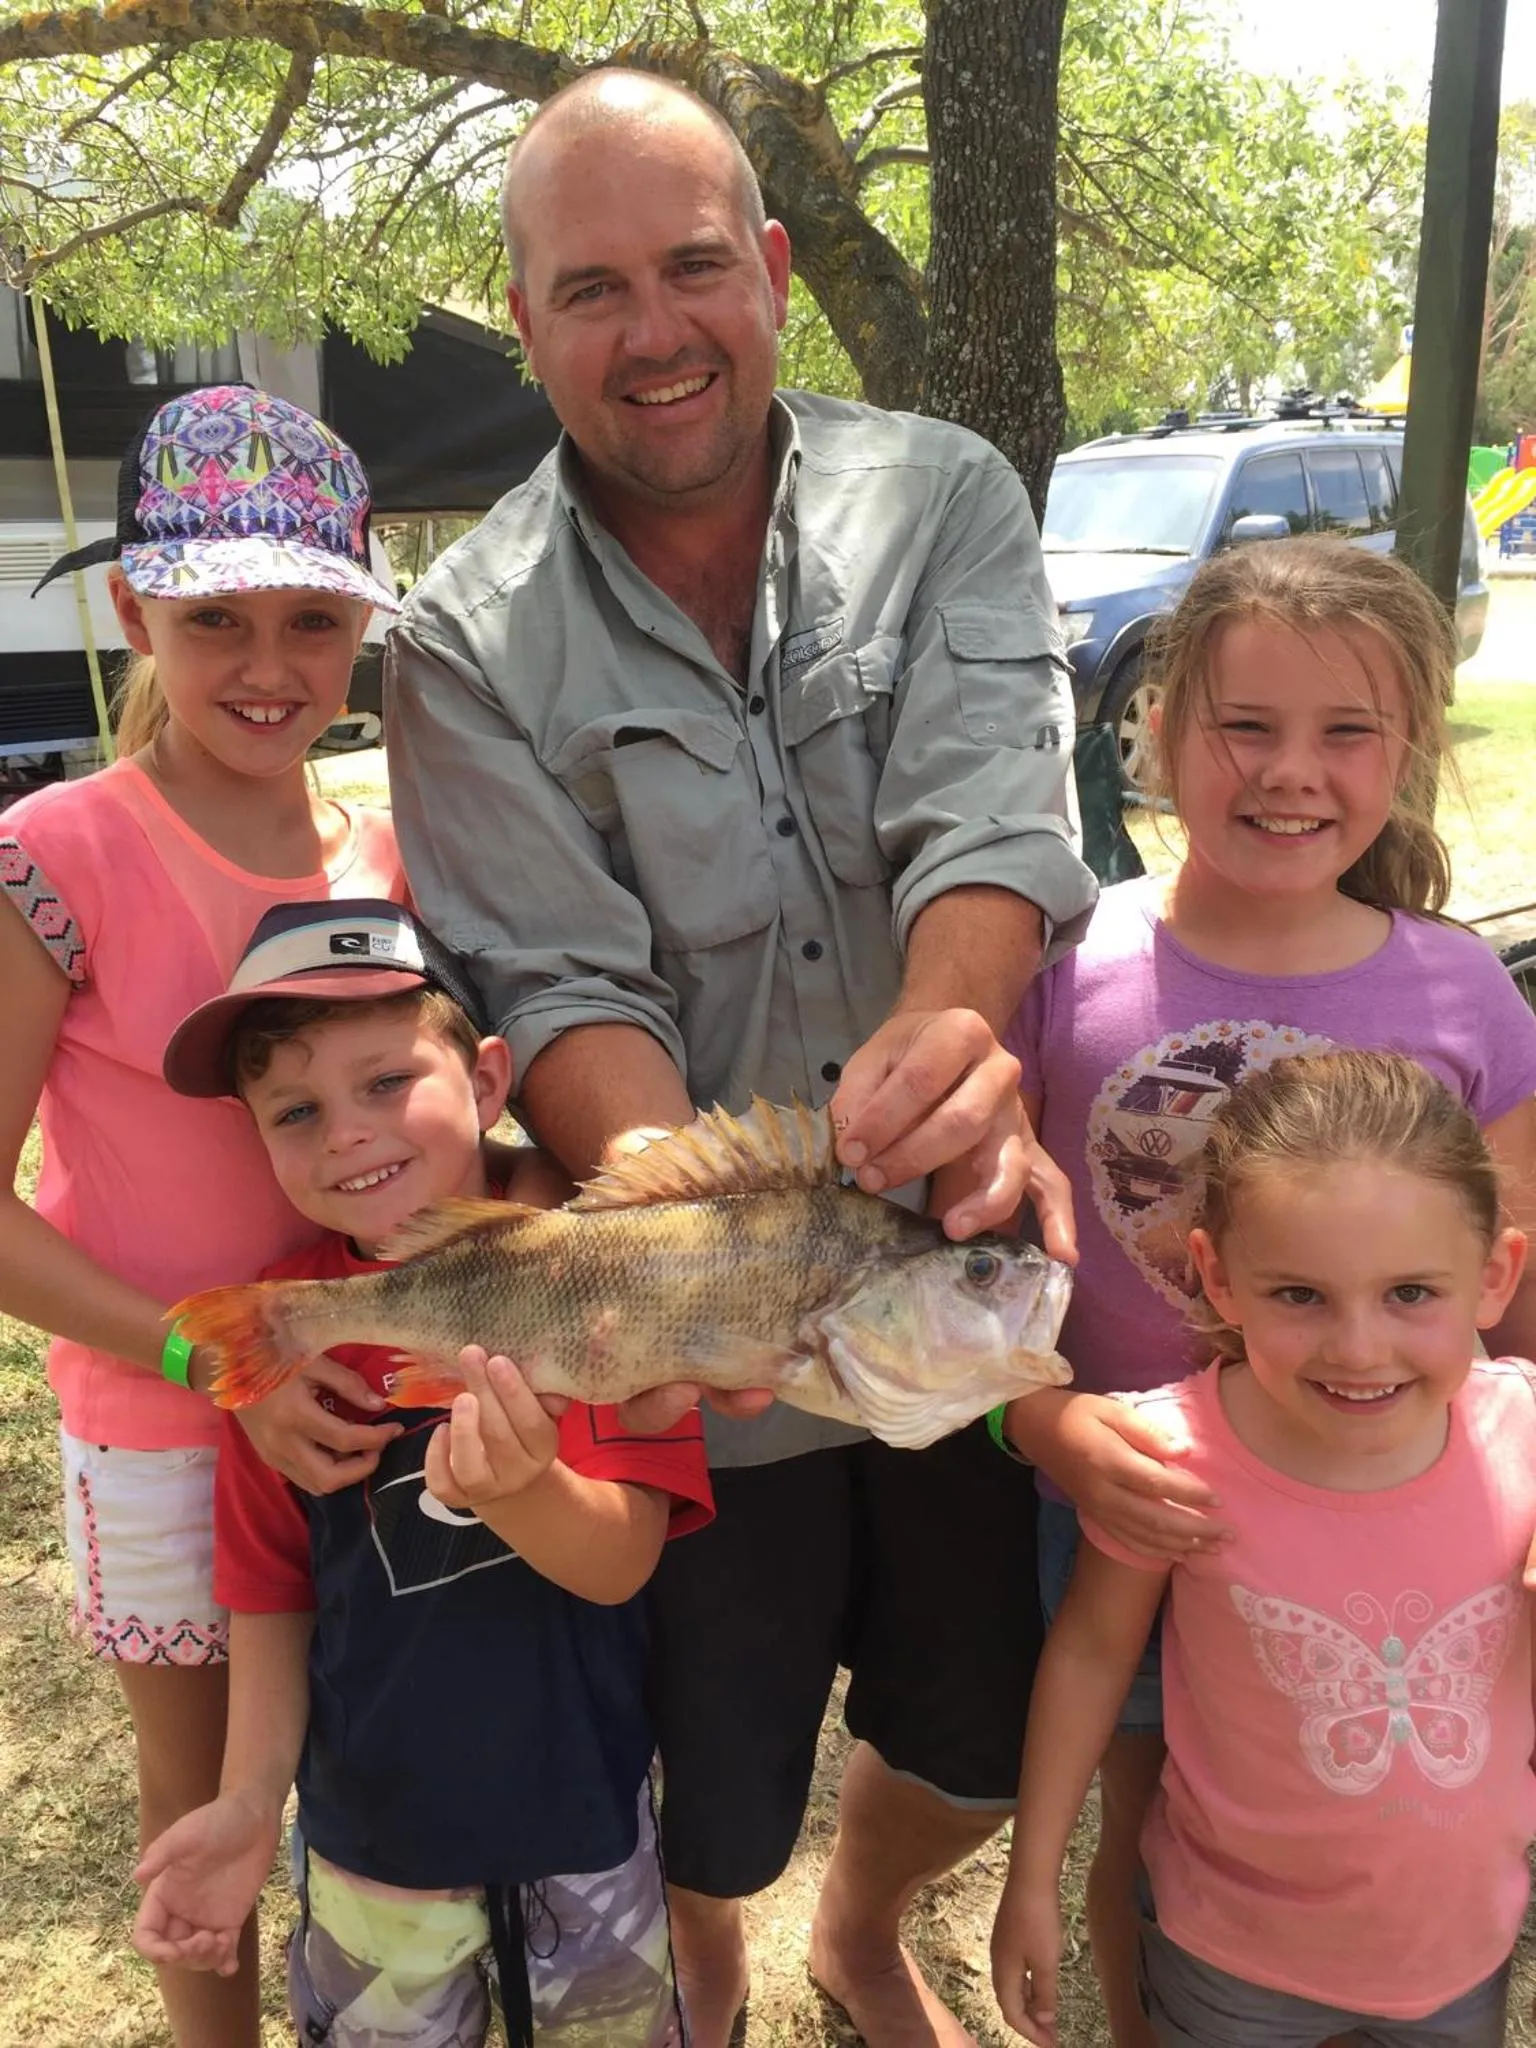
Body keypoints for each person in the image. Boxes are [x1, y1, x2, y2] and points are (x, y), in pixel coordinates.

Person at [384, 66, 1098, 2048]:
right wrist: (706, 1263)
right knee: (711, 1796)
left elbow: (990, 818)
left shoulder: (944, 494)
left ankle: (865, 1929)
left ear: (773, 271)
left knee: (973, 1734)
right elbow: (558, 983)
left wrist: (957, 1039)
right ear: (524, 323)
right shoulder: (461, 640)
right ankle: (720, 1984)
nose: (656, 330)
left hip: (951, 1274)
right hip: (695, 1345)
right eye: (590, 288)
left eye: (695, 265)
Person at [995, 538, 1536, 2046]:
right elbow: (973, 1259)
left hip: (1393, 1525)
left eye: (1347, 732)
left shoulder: (1461, 995)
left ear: (1407, 752)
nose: (1292, 772)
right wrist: (1040, 1425)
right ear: (1159, 735)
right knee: (1153, 1813)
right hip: (1138, 1505)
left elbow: (1513, 1287)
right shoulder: (1070, 965)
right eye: (1248, 725)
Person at [0, 384, 406, 2048]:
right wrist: (204, 1349)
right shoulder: (54, 852)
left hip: (376, 1413)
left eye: (314, 616)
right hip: (172, 1431)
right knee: (207, 1818)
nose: (268, 658)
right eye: (214, 614)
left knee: (372, 1777)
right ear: (130, 612)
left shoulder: (389, 849)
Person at [133, 897, 714, 2047]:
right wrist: (250, 1800)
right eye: (295, 1109)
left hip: (584, 1824)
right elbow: (270, 1597)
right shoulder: (285, 1331)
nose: (346, 1132)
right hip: (370, 1847)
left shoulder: (603, 1271)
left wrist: (524, 1488)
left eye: (387, 1081)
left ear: (491, 1081)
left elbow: (624, 1558)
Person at [991, 1048, 1536, 2048]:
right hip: (1229, 1955)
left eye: (1411, 1291)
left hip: (1458, 1950)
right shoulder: (1167, 1453)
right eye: (1300, 1294)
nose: (1358, 1347)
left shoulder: (1524, 1431)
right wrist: (1034, 1873)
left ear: (1495, 1274)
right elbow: (1092, 1651)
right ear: (1218, 1276)